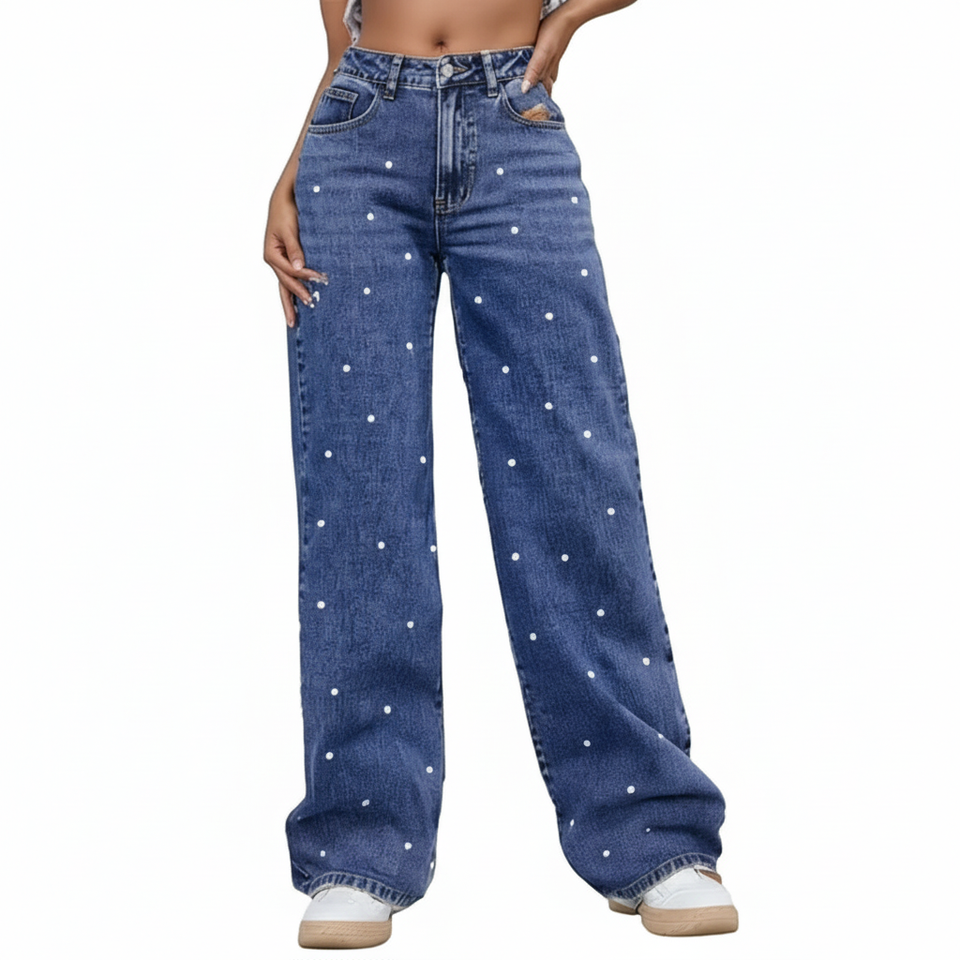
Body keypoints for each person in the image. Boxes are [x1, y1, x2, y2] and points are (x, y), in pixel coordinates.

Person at [263, 0, 739, 949]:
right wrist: (289, 174)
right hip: (353, 140)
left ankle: (650, 831)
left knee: (577, 484)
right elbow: (339, 38)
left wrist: (569, 22)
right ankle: (359, 847)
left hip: (513, 124)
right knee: (359, 499)